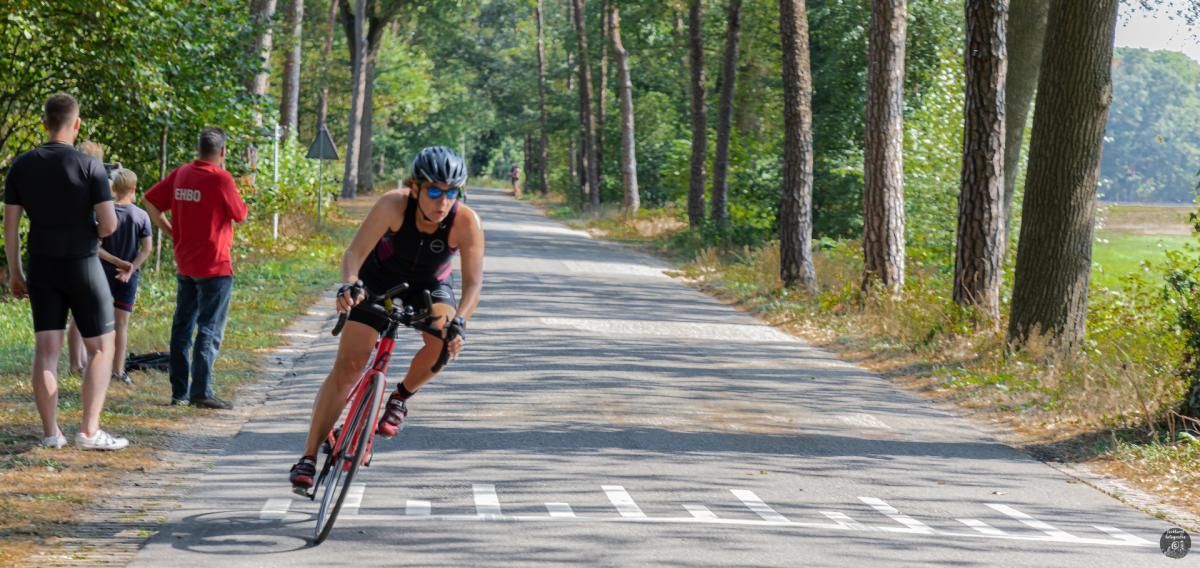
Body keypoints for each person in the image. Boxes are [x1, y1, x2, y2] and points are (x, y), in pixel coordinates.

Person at [289, 146, 485, 492]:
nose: (442, 201)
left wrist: (461, 322)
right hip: (378, 280)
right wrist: (349, 284)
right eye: (435, 191)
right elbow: (353, 254)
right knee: (349, 366)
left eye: (451, 193)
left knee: (444, 343)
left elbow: (472, 284)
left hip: (431, 286)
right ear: (416, 188)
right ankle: (307, 457)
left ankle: (399, 398)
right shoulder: (393, 204)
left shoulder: (465, 221)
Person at [3, 92, 129, 450]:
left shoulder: (22, 166)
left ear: (44, 123)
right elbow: (108, 224)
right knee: (102, 347)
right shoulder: (90, 166)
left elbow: (9, 226)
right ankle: (89, 431)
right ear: (77, 124)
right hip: (84, 265)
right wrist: (92, 228)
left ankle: (50, 434)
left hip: (42, 265)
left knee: (46, 351)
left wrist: (15, 271)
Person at [144, 127, 247, 409]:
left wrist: (170, 231)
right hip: (215, 267)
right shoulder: (222, 179)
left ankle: (180, 392)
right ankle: (201, 391)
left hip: (186, 263)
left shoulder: (182, 174)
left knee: (182, 327)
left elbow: (149, 200)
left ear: (198, 149)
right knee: (209, 330)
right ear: (222, 152)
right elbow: (241, 215)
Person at [99, 169, 153, 385]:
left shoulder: (103, 214)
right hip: (128, 278)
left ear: (113, 189)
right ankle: (119, 371)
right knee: (121, 325)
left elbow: (96, 248)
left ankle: (98, 367)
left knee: (101, 324)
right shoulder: (141, 215)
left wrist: (115, 262)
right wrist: (130, 267)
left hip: (102, 274)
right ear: (133, 189)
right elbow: (147, 249)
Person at [66, 140, 115, 374]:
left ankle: (77, 360)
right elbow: (108, 223)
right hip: (85, 251)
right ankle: (85, 360)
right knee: (87, 310)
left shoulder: (66, 176)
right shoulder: (94, 178)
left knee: (74, 313)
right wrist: (95, 232)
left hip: (57, 248)